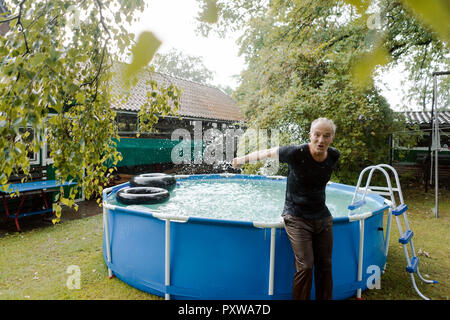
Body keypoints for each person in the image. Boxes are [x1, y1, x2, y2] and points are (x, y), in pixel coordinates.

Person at [232, 117, 340, 300]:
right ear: (310, 135)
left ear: (332, 138)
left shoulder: (334, 155)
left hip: (322, 217)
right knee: (306, 265)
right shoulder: (296, 152)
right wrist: (242, 159)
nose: (321, 140)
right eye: (317, 135)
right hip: (296, 216)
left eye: (326, 136)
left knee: (325, 264)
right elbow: (267, 153)